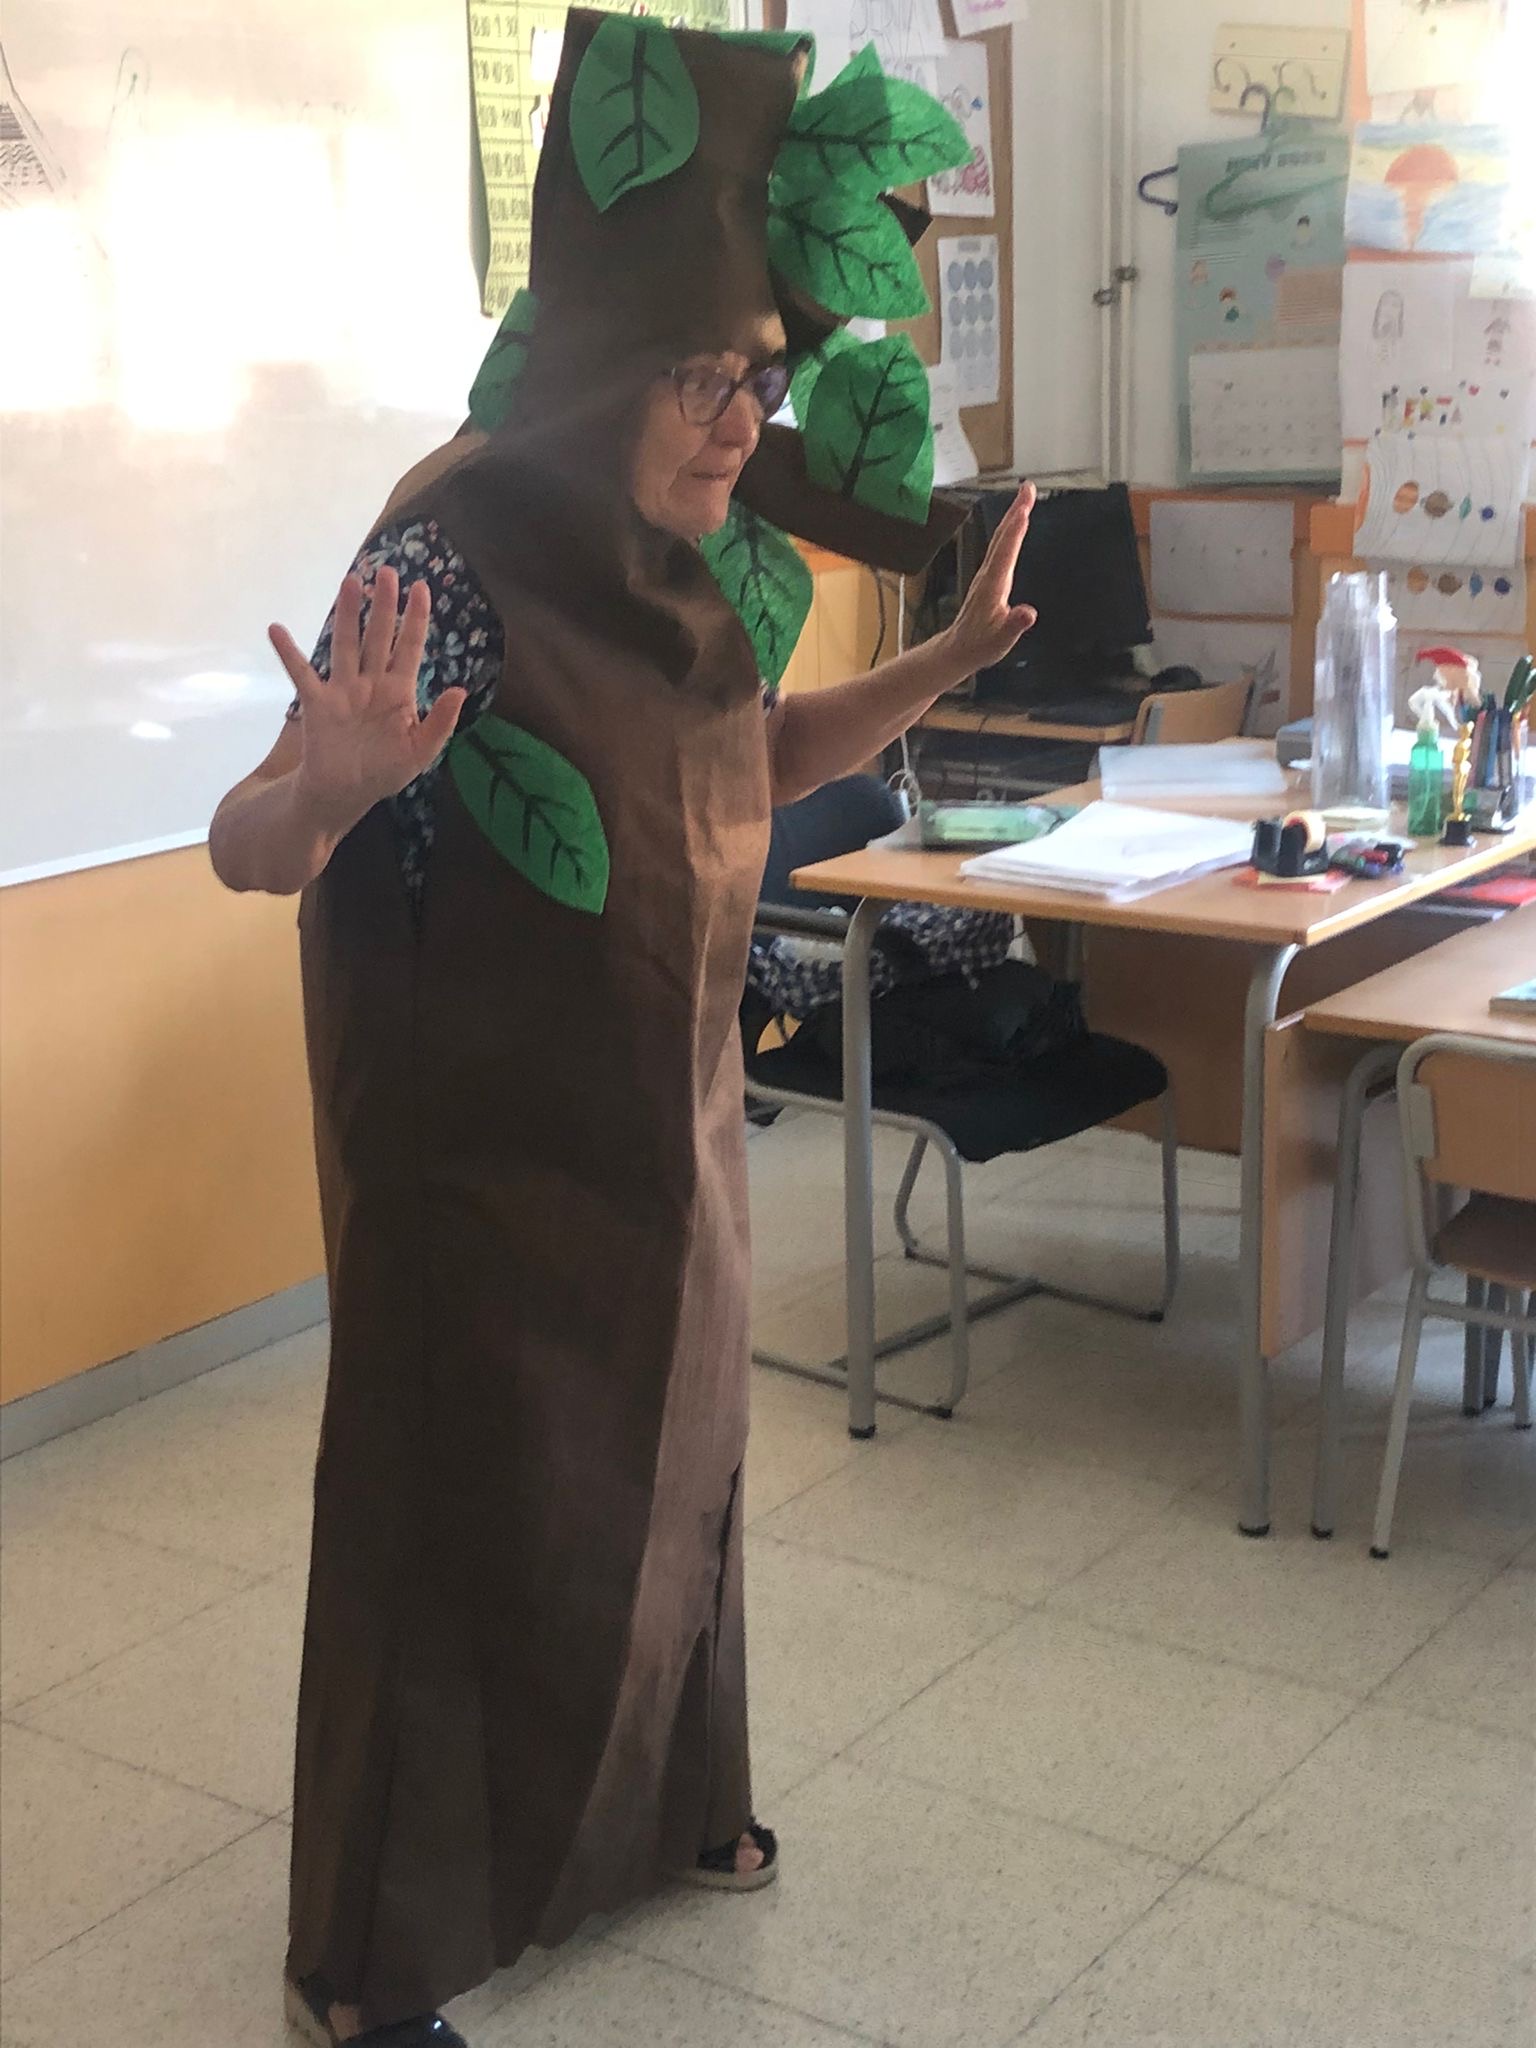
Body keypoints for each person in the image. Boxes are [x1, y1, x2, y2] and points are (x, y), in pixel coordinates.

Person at [209, 20, 1036, 2046]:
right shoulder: (454, 545)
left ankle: (666, 1815)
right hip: (476, 1154)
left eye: (757, 377)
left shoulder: (691, 555)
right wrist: (335, 785)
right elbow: (254, 841)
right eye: (696, 376)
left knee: (668, 1479)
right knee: (459, 1511)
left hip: (664, 1124)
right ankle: (369, 1963)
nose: (741, 420)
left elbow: (754, 756)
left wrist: (936, 668)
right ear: (597, 365)